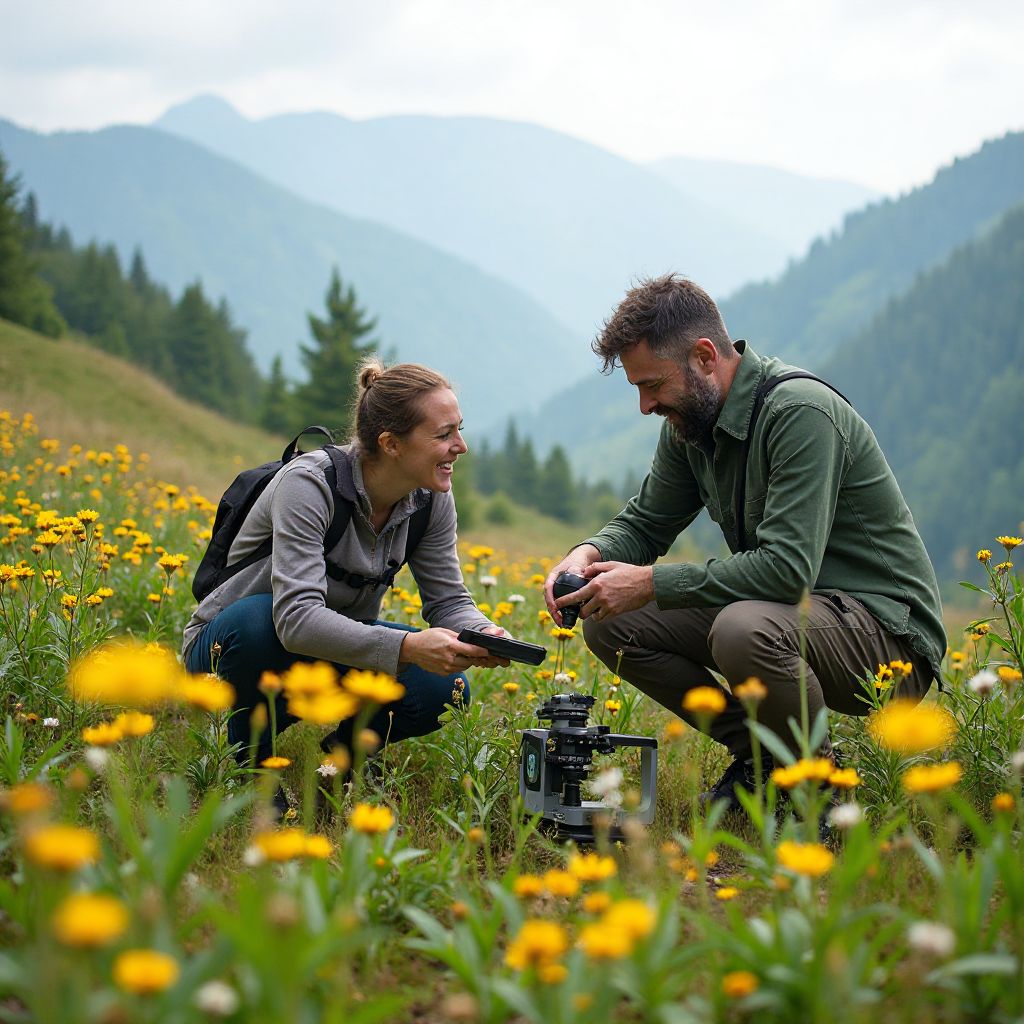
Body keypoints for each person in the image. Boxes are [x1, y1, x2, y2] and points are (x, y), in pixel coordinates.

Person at [544, 274, 945, 808]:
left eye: (653, 385)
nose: (645, 405)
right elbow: (646, 522)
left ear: (705, 357)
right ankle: (762, 759)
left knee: (743, 630)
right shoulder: (692, 425)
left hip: (886, 639)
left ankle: (816, 791)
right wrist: (586, 555)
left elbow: (785, 571)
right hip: (797, 615)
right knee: (609, 621)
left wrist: (652, 582)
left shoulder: (800, 414)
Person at [183, 357, 508, 782]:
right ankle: (251, 766)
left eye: (459, 428)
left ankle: (341, 760)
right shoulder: (308, 485)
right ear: (391, 444)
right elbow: (295, 621)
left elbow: (448, 600)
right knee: (258, 624)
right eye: (444, 434)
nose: (461, 446)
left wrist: (480, 632)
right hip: (231, 651)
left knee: (447, 688)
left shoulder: (430, 498)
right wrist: (407, 649)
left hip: (328, 651)